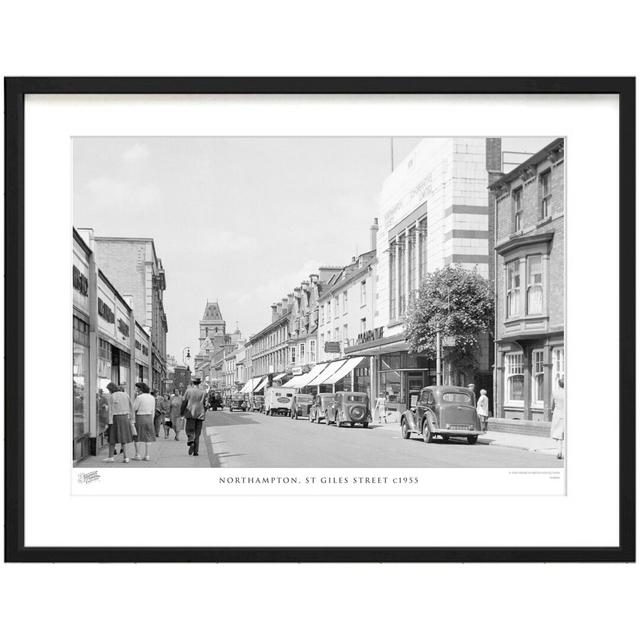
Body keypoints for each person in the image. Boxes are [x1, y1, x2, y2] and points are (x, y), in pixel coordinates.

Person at [104, 382, 134, 463]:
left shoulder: (112, 396)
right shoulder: (126, 395)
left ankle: (111, 457)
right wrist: (131, 418)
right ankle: (126, 457)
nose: (109, 391)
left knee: (112, 438)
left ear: (111, 389)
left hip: (115, 418)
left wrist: (109, 422)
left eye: (108, 390)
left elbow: (110, 410)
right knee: (123, 438)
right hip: (125, 418)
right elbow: (131, 407)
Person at [132, 381, 156, 461]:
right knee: (148, 436)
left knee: (137, 436)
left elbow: (134, 408)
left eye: (137, 388)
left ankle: (137, 455)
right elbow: (153, 410)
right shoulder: (152, 397)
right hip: (149, 417)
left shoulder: (139, 397)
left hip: (140, 417)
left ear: (140, 389)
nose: (136, 390)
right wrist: (152, 419)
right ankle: (147, 455)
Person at [183, 377, 206, 456]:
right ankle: (196, 452)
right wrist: (203, 411)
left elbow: (184, 402)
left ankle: (191, 441)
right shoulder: (203, 392)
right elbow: (206, 405)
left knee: (189, 430)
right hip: (200, 414)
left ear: (193, 383)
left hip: (190, 414)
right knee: (197, 433)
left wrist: (182, 413)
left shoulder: (188, 391)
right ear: (199, 383)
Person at [551, 376, 565, 460]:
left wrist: (552, 410)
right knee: (562, 434)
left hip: (557, 413)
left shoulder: (554, 392)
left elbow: (552, 404)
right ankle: (560, 451)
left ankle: (559, 451)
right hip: (564, 413)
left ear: (559, 384)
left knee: (557, 434)